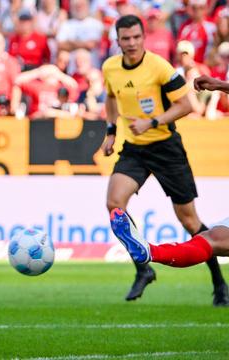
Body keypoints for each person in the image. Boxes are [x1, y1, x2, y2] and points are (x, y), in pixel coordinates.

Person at [101, 15, 228, 305]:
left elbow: (187, 105)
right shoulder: (110, 67)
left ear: (144, 37)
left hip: (166, 148)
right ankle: (142, 268)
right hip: (134, 149)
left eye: (136, 37)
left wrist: (152, 122)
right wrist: (110, 132)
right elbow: (110, 98)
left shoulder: (159, 66)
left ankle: (220, 284)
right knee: (114, 203)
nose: (131, 43)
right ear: (117, 40)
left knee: (189, 220)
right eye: (125, 38)